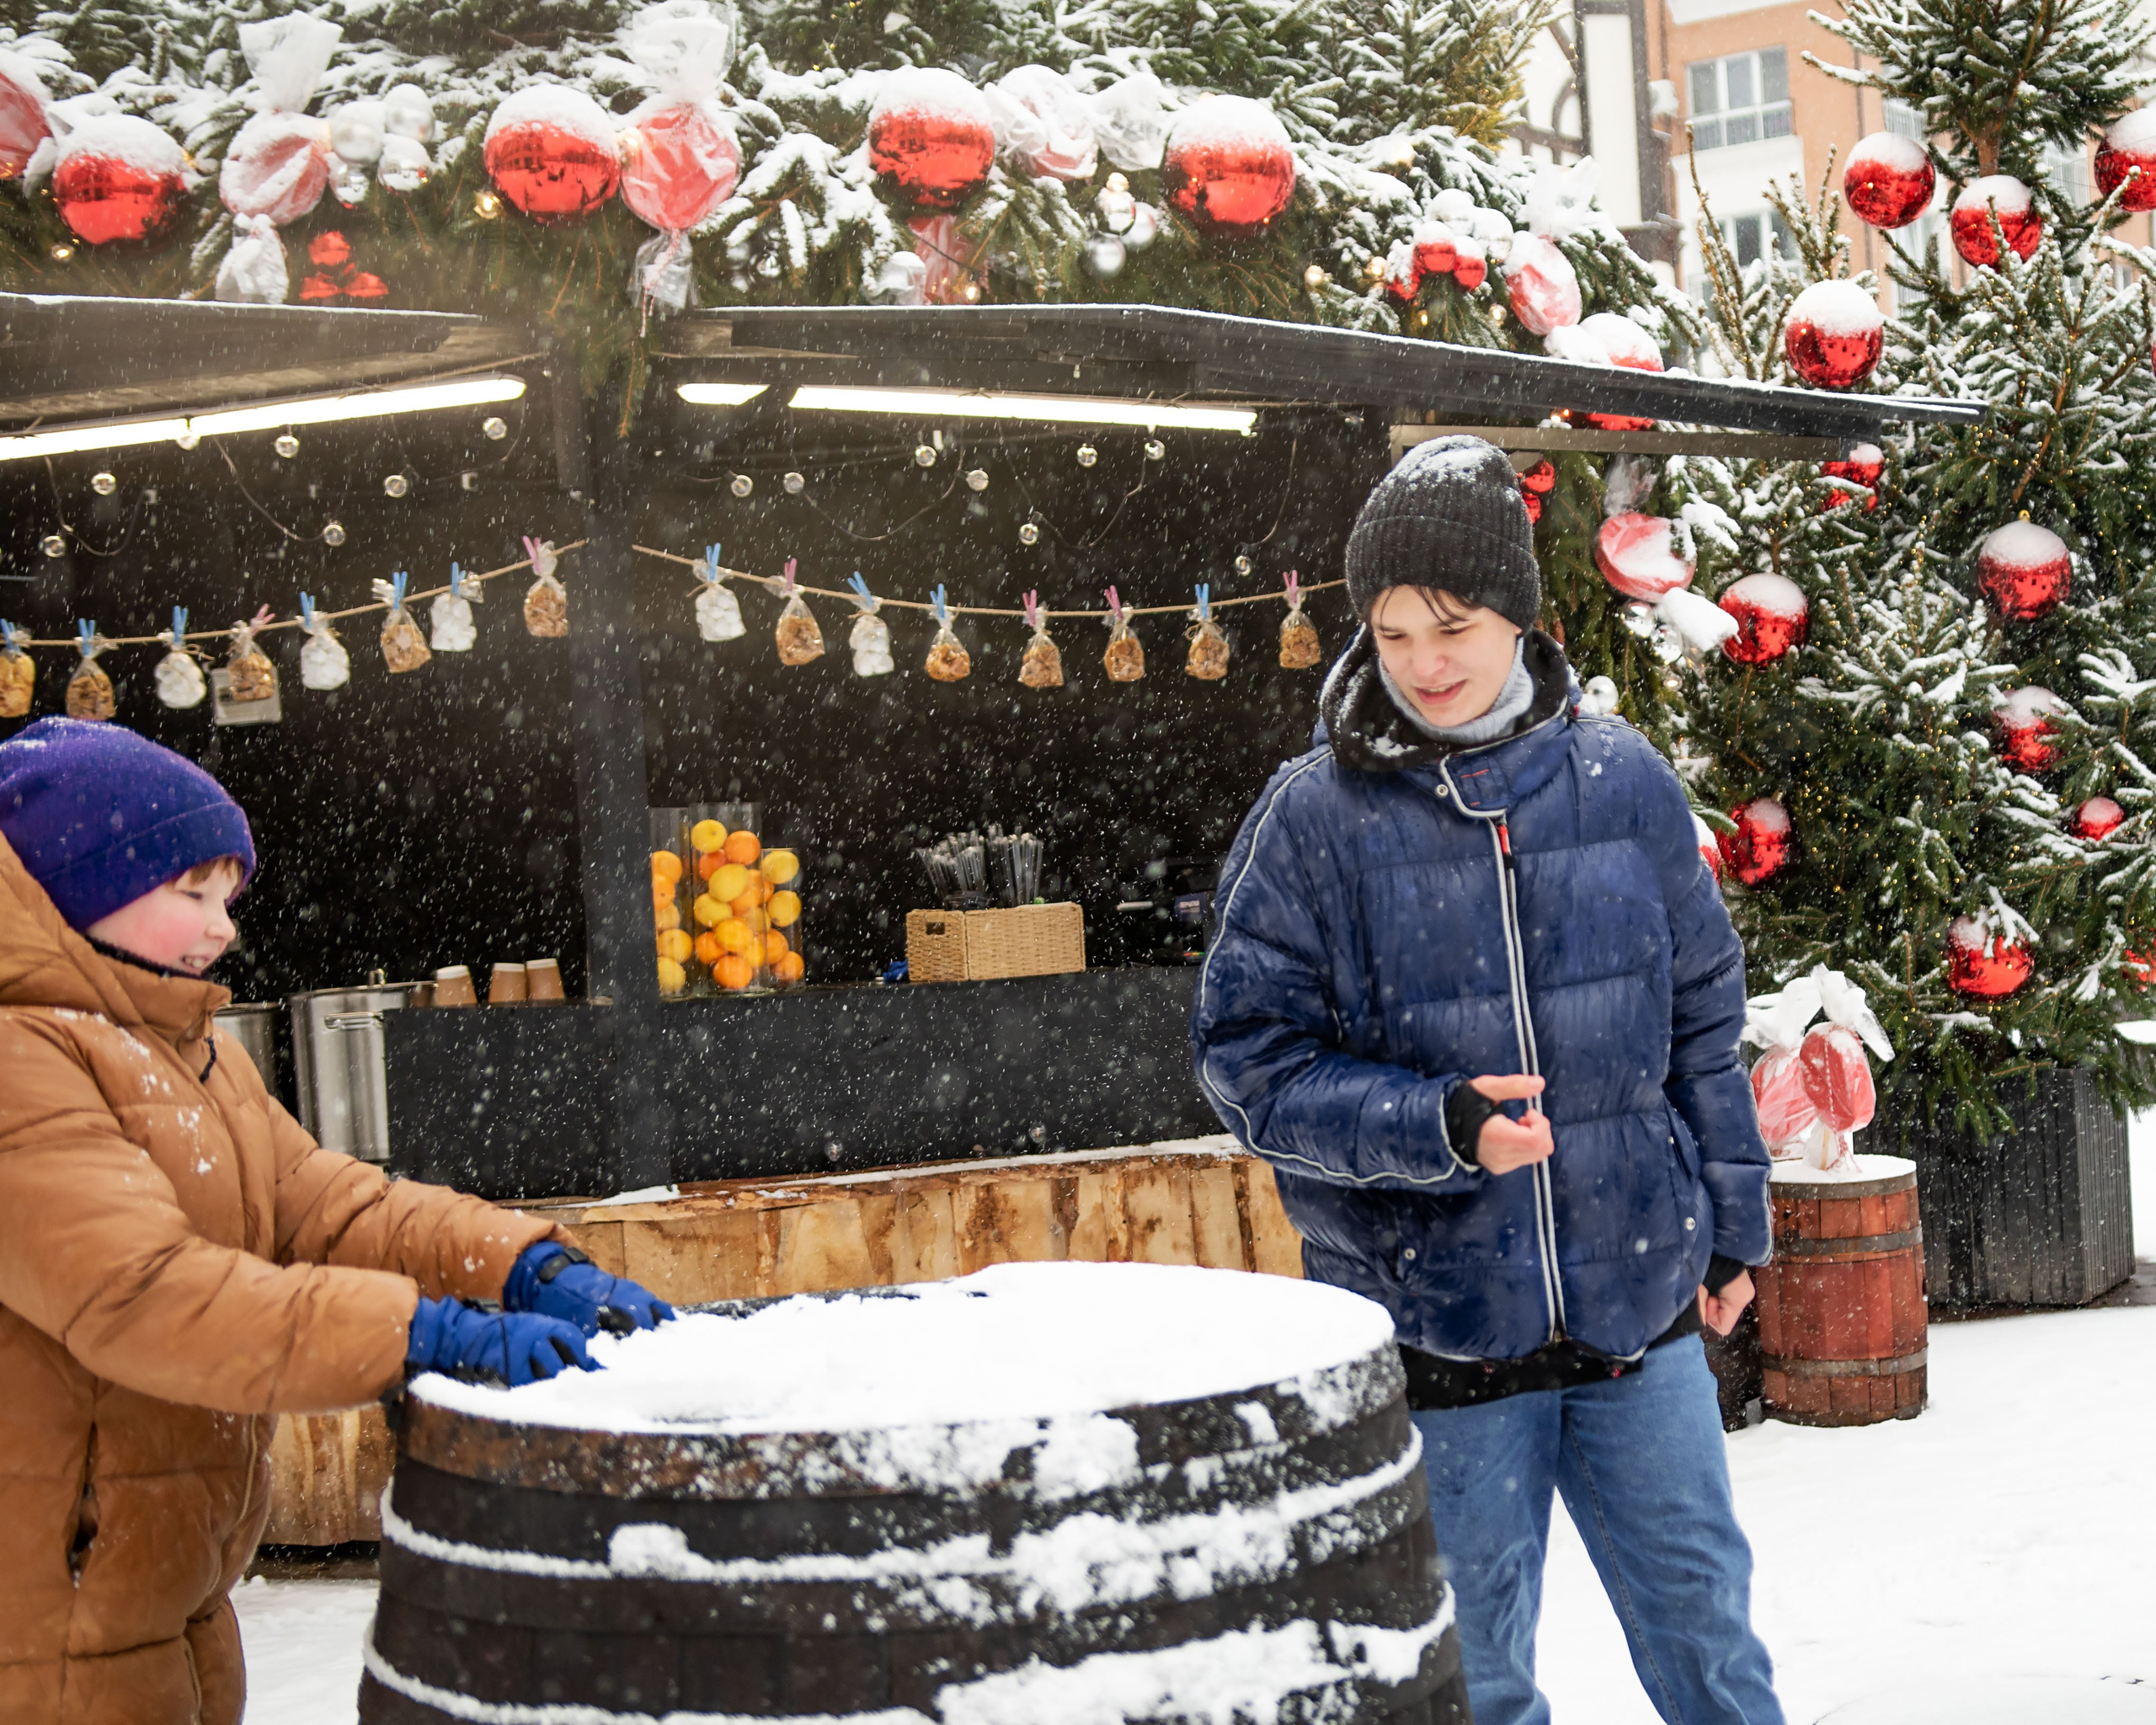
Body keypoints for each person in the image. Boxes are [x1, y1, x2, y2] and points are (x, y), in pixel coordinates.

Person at [1191, 436, 1782, 1725]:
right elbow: (1246, 1064)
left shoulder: (1621, 783)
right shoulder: (1314, 819)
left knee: (1711, 1653)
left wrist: (1735, 1223)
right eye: (1394, 633)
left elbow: (1701, 1026)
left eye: (1452, 626)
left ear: (1517, 613)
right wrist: (1436, 1125)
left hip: (1636, 1306)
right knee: (1475, 1685)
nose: (1424, 662)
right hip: (1435, 1325)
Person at [0, 717, 674, 1725]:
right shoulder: (18, 1060)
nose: (223, 927)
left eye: (227, 896)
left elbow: (325, 1200)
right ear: (76, 888)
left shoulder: (186, 1048)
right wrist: (420, 1332)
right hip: (45, 1618)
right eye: (190, 891)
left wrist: (519, 1264)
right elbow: (144, 1296)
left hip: (163, 1589)